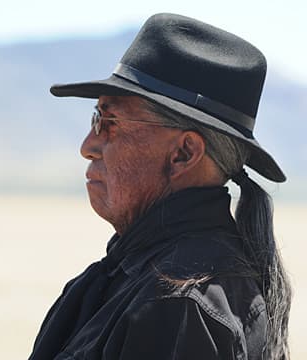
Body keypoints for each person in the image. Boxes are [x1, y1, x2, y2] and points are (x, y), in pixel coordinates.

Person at [28, 13, 291, 360]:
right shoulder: (138, 278)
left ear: (183, 153)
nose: (88, 145)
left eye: (110, 122)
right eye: (95, 118)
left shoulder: (181, 307)